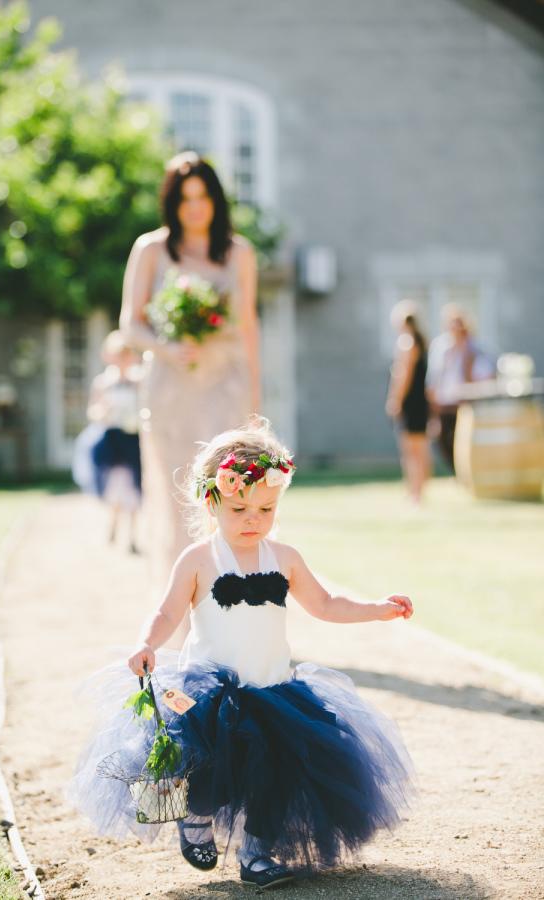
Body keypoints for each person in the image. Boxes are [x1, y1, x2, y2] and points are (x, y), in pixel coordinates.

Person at [69, 419, 414, 889]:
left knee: (278, 773)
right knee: (209, 772)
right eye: (240, 508)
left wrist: (376, 610)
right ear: (211, 502)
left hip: (274, 692)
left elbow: (326, 604)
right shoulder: (198, 559)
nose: (253, 519)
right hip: (212, 695)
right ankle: (194, 820)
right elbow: (168, 612)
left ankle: (257, 854)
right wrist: (147, 642)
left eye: (266, 508)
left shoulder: (285, 557)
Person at [119, 151, 261, 647]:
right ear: (173, 203)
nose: (194, 208)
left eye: (202, 197)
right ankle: (178, 627)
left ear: (215, 201)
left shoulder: (240, 253)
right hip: (170, 391)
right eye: (185, 199)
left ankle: (235, 619)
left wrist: (256, 411)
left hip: (226, 388)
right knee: (178, 504)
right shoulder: (152, 251)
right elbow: (129, 324)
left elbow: (248, 328)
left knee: (231, 501)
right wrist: (166, 345)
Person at [72, 330, 143, 554]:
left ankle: (132, 534)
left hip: (132, 438)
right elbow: (93, 410)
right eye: (118, 355)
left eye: (126, 354)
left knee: (133, 486)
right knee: (114, 484)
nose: (123, 359)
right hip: (112, 439)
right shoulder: (103, 382)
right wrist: (103, 413)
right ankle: (112, 523)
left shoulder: (138, 380)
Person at [426, 305, 494, 471]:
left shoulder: (475, 348)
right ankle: (456, 472)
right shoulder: (441, 347)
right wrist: (432, 406)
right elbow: (433, 378)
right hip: (444, 403)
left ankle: (464, 473)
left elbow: (485, 375)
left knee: (464, 441)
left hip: (465, 403)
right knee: (443, 441)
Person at [386, 301, 430, 503]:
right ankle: (417, 491)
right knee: (420, 449)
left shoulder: (407, 342)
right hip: (420, 401)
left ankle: (415, 492)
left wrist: (396, 399)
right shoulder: (421, 341)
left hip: (411, 403)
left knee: (411, 451)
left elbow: (403, 375)